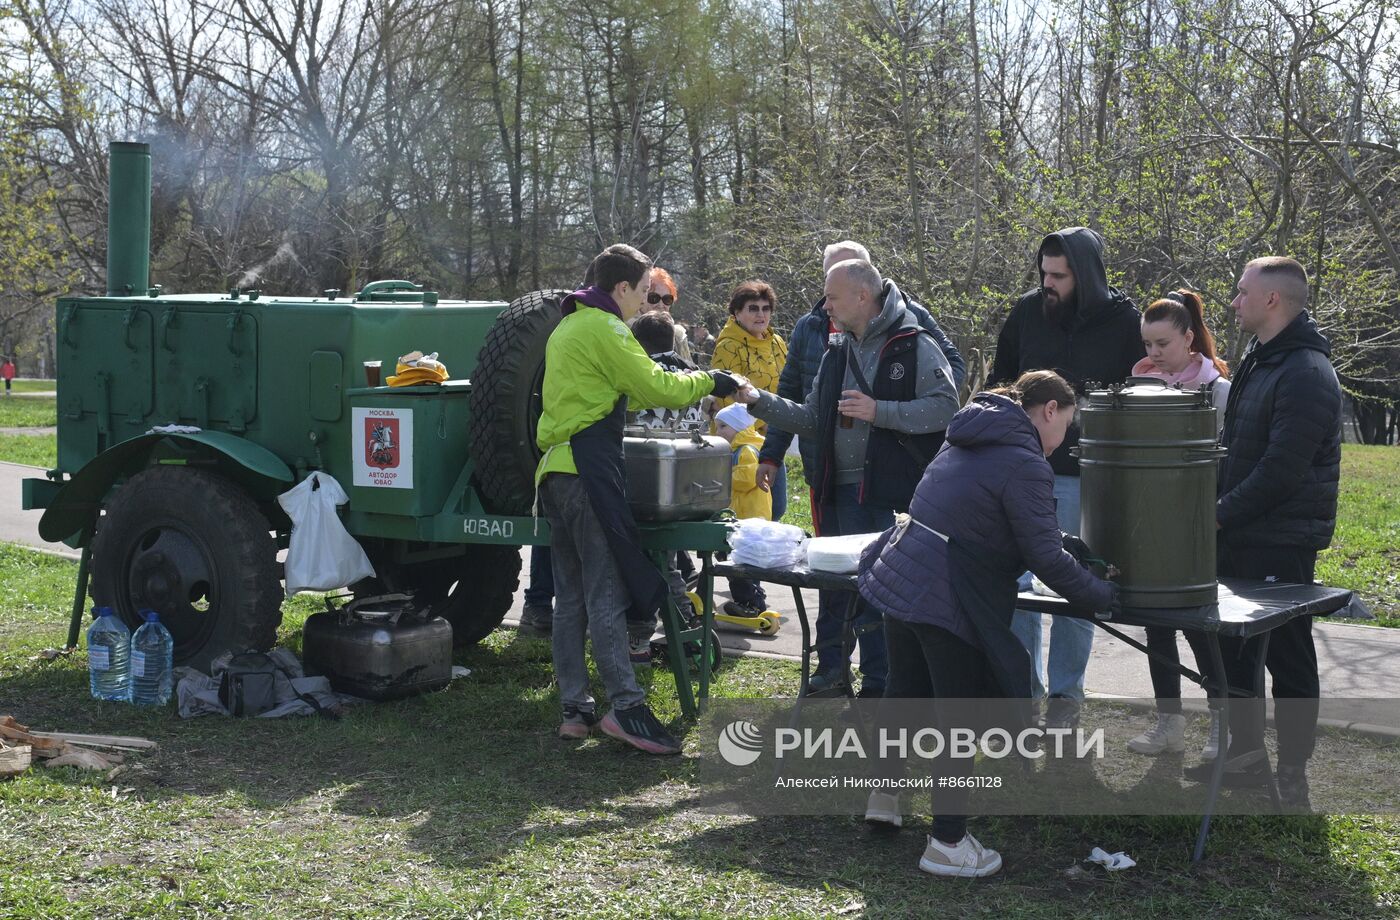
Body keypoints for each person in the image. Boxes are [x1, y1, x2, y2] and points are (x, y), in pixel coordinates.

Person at [857, 370, 1118, 878]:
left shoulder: (971, 433)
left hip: (903, 573)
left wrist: (1073, 548)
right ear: (1048, 410)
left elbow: (996, 519)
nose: (1064, 438)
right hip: (946, 593)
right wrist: (1103, 598)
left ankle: (883, 795)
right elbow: (1041, 555)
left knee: (905, 691)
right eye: (1066, 424)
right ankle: (947, 843)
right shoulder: (1024, 459)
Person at [535, 243, 744, 753]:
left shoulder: (566, 326)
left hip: (554, 473)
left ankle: (575, 707)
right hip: (588, 471)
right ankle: (626, 706)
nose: (648, 304)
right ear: (622, 287)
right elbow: (656, 386)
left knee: (571, 598)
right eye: (646, 292)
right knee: (606, 592)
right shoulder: (605, 328)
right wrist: (712, 380)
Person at [734, 259, 959, 698]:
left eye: (832, 297)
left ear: (862, 296)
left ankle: (881, 686)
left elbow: (946, 407)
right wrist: (757, 400)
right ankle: (834, 674)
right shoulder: (837, 349)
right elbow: (814, 417)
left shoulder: (914, 343)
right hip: (835, 492)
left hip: (887, 495)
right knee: (836, 590)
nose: (825, 306)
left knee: (880, 595)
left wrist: (881, 412)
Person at [1181, 257, 1341, 810]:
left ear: (1272, 300)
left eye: (1242, 292)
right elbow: (1238, 450)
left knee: (1287, 652)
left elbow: (1281, 471)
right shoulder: (1260, 357)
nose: (1233, 302)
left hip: (1280, 538)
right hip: (1238, 529)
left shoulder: (1306, 372)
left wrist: (1217, 516)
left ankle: (1294, 772)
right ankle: (1246, 755)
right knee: (1223, 642)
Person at [990, 227, 1144, 729]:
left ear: (1087, 275)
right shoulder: (1026, 313)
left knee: (1078, 585)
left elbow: (1135, 395)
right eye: (1044, 274)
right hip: (1020, 471)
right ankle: (1022, 695)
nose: (1048, 284)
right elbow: (1001, 384)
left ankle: (1065, 702)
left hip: (1087, 478)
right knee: (1017, 587)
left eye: (1058, 275)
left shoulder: (1125, 322)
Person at [758, 240, 966, 505]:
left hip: (896, 480)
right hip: (826, 474)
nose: (827, 301)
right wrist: (770, 449)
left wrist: (889, 410)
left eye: (839, 284)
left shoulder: (911, 324)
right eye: (829, 279)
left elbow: (948, 388)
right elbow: (797, 400)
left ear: (863, 289)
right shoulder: (815, 330)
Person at [1124, 290, 1231, 757]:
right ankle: (1169, 725)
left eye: (1162, 344)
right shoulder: (1136, 388)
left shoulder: (1217, 390)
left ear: (1189, 338)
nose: (1153, 355)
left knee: (1200, 627)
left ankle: (1221, 726)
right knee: (1156, 625)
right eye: (1147, 345)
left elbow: (1228, 461)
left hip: (1197, 527)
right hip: (1149, 526)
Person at [709, 281, 790, 520]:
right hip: (741, 442)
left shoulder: (777, 343)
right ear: (737, 312)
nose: (761, 314)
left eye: (766, 308)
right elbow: (727, 401)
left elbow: (787, 386)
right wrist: (760, 425)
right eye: (753, 308)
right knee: (748, 511)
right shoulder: (728, 346)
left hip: (773, 435)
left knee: (777, 507)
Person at [713, 402, 772, 621]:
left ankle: (751, 602)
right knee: (740, 559)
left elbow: (747, 479)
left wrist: (719, 476)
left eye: (722, 427)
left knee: (736, 561)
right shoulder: (739, 448)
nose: (718, 432)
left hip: (749, 517)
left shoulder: (746, 450)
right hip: (746, 515)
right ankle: (751, 596)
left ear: (739, 428)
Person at [644, 267, 694, 364]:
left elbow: (689, 368)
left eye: (667, 299)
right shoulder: (629, 331)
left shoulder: (678, 335)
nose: (661, 305)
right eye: (654, 298)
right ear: (642, 297)